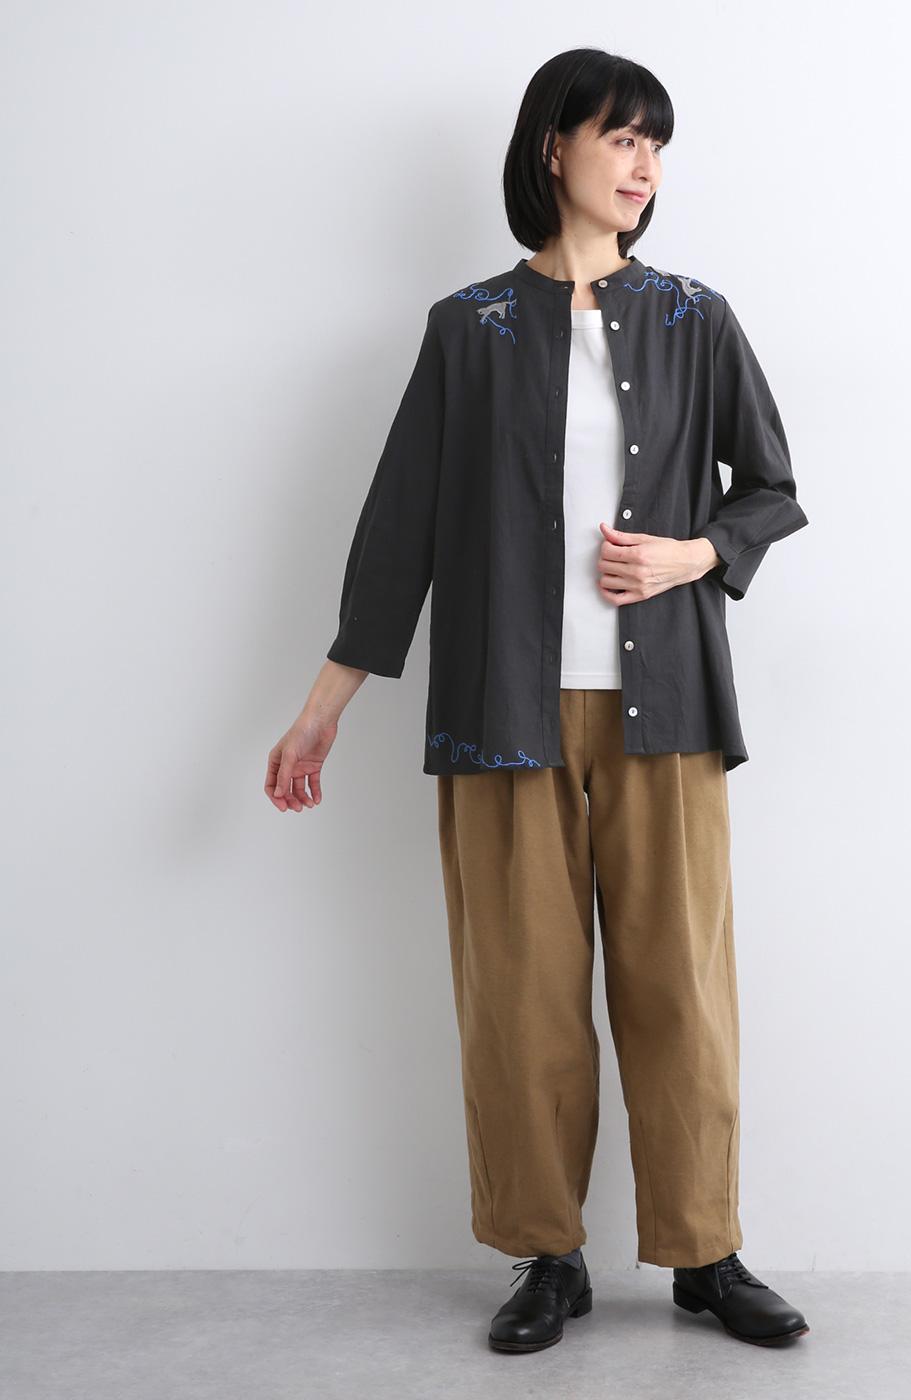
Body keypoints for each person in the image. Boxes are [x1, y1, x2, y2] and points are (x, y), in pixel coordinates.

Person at [266, 47, 811, 1353]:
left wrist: (689, 556)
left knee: (681, 993)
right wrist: (324, 703)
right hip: (501, 714)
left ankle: (706, 1252)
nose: (643, 165)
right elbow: (400, 530)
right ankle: (546, 1254)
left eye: (656, 145)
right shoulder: (472, 328)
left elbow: (770, 490)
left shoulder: (695, 318)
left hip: (666, 710)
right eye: (621, 136)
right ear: (553, 147)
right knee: (519, 998)